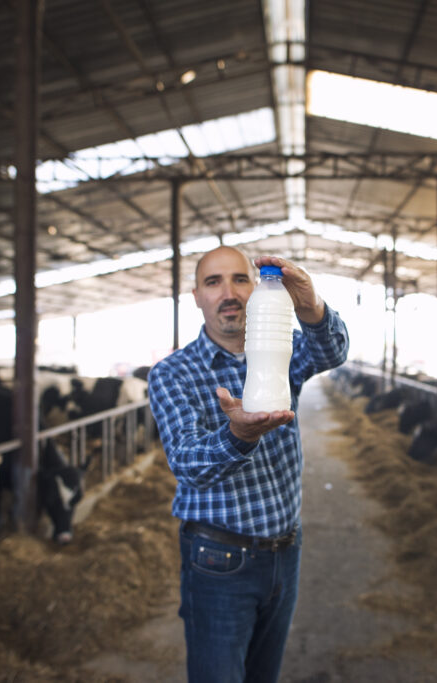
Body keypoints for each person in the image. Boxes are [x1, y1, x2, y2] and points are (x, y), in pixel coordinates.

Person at [148, 246, 349, 682]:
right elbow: (186, 463)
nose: (229, 293)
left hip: (285, 549)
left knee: (263, 676)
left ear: (257, 288)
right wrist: (237, 435)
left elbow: (332, 353)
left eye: (240, 279)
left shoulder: (284, 346)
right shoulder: (173, 373)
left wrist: (310, 306)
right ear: (197, 296)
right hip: (218, 559)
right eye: (213, 282)